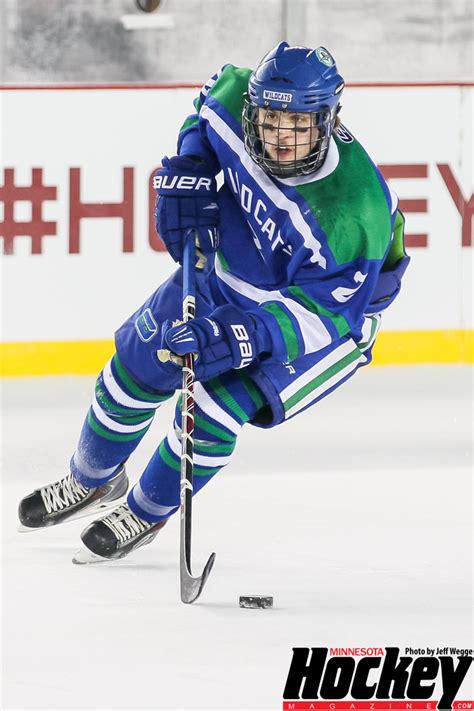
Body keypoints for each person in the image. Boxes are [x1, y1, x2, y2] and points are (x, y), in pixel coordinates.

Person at [18, 42, 409, 562]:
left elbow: (327, 316)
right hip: (224, 274)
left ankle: (146, 511)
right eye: (269, 120)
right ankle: (91, 481)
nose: (280, 138)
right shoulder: (234, 95)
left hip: (326, 322)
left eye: (298, 124)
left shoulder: (353, 213)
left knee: (209, 409)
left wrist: (239, 337)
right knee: (133, 369)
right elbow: (203, 117)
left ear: (330, 118)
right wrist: (189, 167)